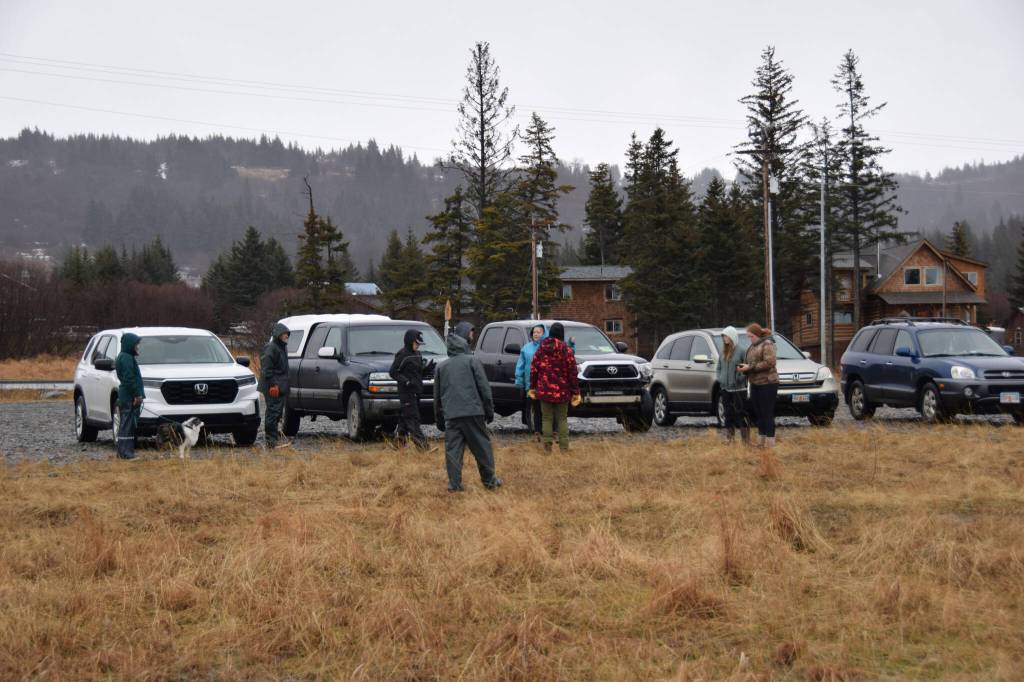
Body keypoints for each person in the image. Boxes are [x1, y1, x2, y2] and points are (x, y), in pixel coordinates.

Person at [434, 321, 502, 492]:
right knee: (482, 447)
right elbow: (484, 389)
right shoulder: (473, 361)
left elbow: (437, 397)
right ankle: (489, 481)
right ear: (465, 337)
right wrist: (489, 410)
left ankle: (454, 485)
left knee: (453, 451)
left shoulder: (441, 367)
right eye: (471, 333)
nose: (473, 335)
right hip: (473, 413)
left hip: (451, 415)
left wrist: (439, 419)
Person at [529, 322, 581, 453]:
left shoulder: (541, 349)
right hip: (563, 391)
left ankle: (547, 447)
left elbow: (534, 370)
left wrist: (533, 387)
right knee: (562, 418)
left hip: (544, 390)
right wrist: (576, 392)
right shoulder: (567, 350)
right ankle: (564, 448)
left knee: (546, 418)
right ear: (562, 334)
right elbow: (573, 373)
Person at [738, 322, 779, 448]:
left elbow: (770, 362)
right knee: (759, 413)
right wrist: (744, 368)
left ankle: (770, 443)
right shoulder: (752, 347)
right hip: (755, 383)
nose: (749, 338)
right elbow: (750, 362)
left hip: (768, 383)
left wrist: (750, 367)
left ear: (756, 334)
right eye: (748, 336)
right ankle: (761, 442)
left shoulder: (767, 344)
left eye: (750, 336)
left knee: (767, 413)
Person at [389, 328, 430, 450]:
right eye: (416, 343)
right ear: (409, 341)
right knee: (413, 419)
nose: (418, 346)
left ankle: (398, 445)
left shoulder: (417, 354)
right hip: (406, 392)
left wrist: (427, 370)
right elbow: (393, 372)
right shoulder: (402, 354)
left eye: (419, 344)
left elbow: (418, 373)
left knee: (404, 419)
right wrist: (405, 381)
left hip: (416, 391)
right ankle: (423, 448)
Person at [259, 322, 291, 448]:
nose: (286, 336)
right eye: (284, 334)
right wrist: (274, 385)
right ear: (278, 335)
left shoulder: (282, 347)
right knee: (272, 413)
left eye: (287, 334)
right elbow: (266, 370)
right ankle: (271, 442)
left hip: (281, 386)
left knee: (277, 413)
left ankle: (275, 439)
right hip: (273, 387)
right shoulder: (271, 348)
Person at [717, 326, 751, 444]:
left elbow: (747, 369)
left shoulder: (742, 351)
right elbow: (718, 367)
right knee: (728, 414)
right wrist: (720, 378)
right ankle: (729, 438)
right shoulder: (723, 351)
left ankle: (745, 440)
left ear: (732, 337)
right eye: (723, 336)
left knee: (741, 413)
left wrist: (740, 378)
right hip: (725, 389)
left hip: (738, 389)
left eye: (726, 336)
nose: (724, 338)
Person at [114, 332, 144, 460]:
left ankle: (123, 452)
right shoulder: (126, 358)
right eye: (137, 344)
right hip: (128, 397)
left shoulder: (125, 356)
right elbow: (129, 379)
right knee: (126, 425)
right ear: (130, 345)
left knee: (126, 425)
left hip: (127, 396)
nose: (138, 347)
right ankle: (126, 454)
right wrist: (137, 395)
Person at [514, 323, 546, 438]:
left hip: (545, 385)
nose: (536, 334)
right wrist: (519, 379)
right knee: (532, 407)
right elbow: (520, 365)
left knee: (544, 409)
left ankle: (547, 430)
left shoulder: (547, 347)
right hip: (530, 384)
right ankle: (534, 430)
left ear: (544, 333)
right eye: (534, 332)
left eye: (539, 332)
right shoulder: (526, 348)